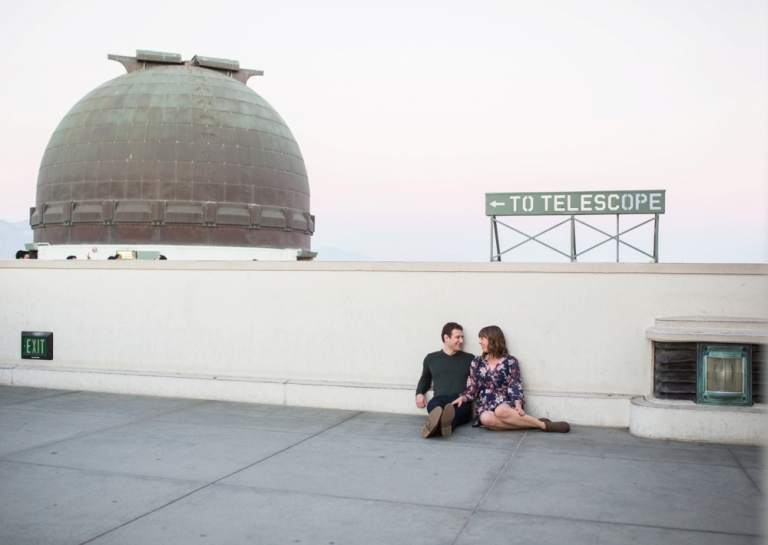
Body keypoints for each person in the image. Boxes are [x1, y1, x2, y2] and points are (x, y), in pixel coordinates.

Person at [453, 325, 570, 433]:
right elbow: (472, 388)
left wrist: (518, 405)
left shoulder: (511, 361)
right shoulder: (476, 362)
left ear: (493, 340)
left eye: (482, 338)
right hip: (485, 404)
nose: (479, 342)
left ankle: (545, 426)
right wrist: (463, 398)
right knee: (486, 419)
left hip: (506, 401)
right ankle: (535, 424)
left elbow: (515, 385)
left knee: (501, 411)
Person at [415, 322, 474, 438]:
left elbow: (476, 384)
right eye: (457, 337)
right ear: (446, 338)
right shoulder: (431, 358)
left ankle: (433, 427)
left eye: (462, 337)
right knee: (435, 407)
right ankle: (444, 426)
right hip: (439, 398)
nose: (461, 341)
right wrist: (419, 393)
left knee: (455, 413)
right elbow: (425, 378)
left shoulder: (470, 359)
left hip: (460, 400)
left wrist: (464, 397)